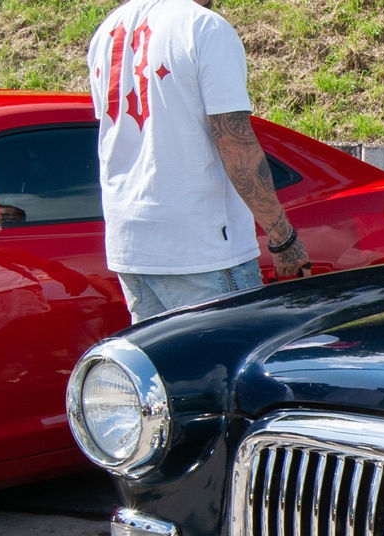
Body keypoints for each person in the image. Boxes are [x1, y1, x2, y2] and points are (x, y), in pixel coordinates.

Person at [87, 0, 310, 323]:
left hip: (129, 243)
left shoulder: (107, 30)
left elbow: (117, 133)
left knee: (164, 370)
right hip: (200, 248)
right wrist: (283, 237)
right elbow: (234, 142)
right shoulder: (205, 27)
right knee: (227, 365)